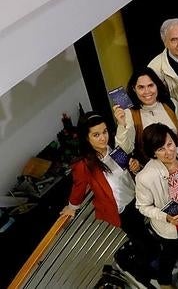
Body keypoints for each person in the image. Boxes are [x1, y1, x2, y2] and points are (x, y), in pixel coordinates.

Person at [60, 112, 157, 285]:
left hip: (135, 199)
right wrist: (72, 207)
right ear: (86, 137)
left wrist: (134, 166)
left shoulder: (113, 148)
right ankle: (143, 273)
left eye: (104, 132)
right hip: (120, 210)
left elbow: (127, 170)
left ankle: (149, 262)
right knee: (141, 240)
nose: (103, 138)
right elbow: (78, 187)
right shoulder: (84, 164)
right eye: (96, 135)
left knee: (144, 234)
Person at [135, 123, 178, 289]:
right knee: (169, 255)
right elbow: (142, 206)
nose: (169, 152)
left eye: (170, 144)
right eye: (160, 149)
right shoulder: (145, 177)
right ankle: (164, 281)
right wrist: (165, 216)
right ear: (152, 153)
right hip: (169, 227)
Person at [114, 68, 178, 163]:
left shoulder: (171, 104)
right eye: (141, 87)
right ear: (134, 89)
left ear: (157, 85)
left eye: (150, 85)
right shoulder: (129, 114)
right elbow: (124, 150)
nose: (147, 91)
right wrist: (122, 125)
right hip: (151, 170)